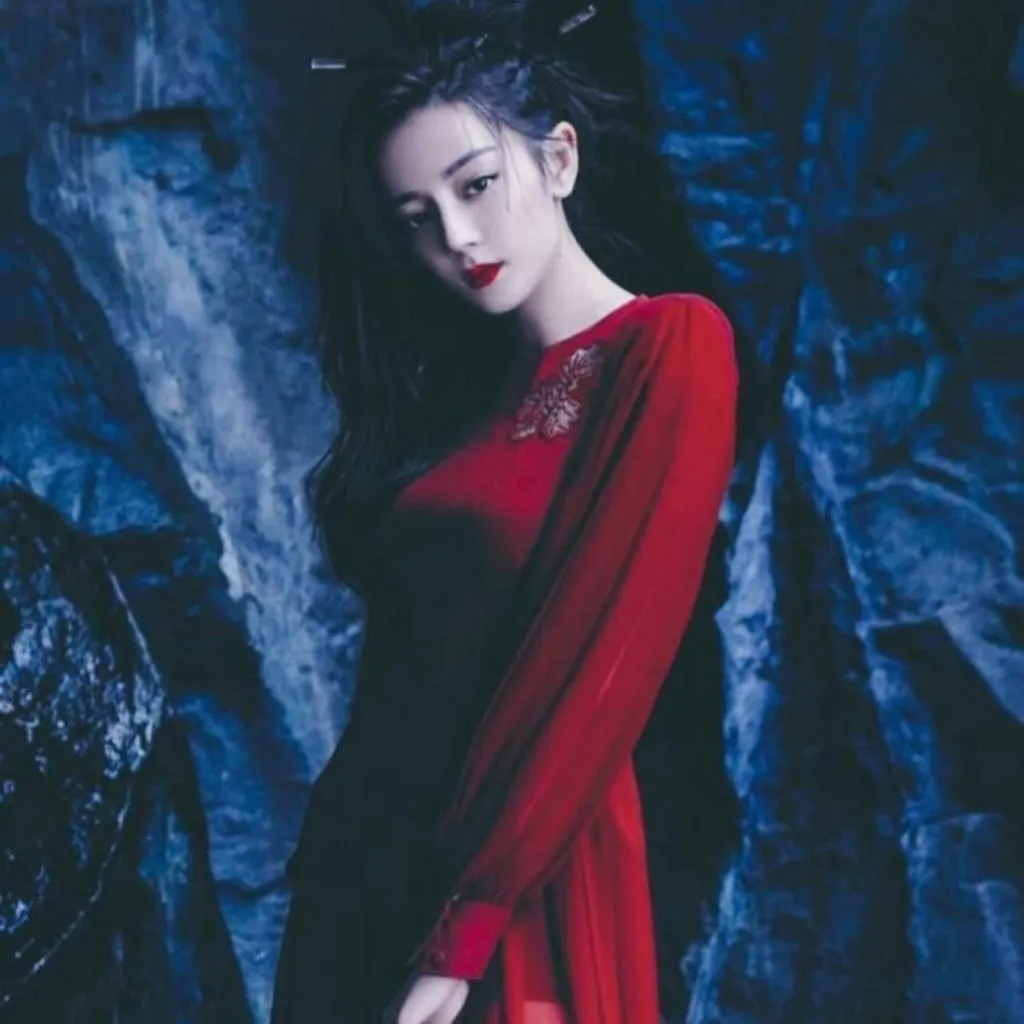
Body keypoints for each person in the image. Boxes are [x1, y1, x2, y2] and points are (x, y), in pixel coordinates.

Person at [272, 2, 738, 1021]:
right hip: (363, 867)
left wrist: (465, 930)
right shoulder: (458, 391)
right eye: (416, 218)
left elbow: (603, 658)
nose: (456, 236)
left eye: (475, 185)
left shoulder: (668, 346)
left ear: (558, 159)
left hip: (516, 878)